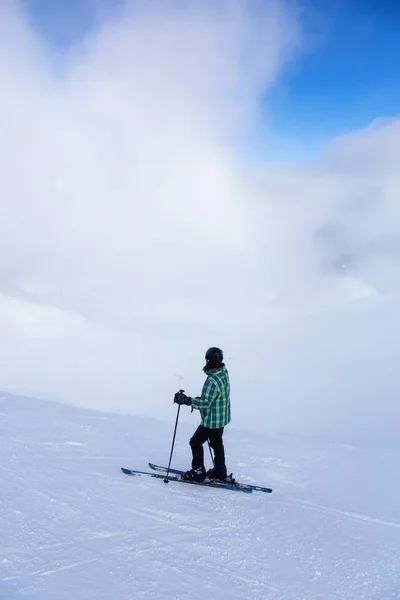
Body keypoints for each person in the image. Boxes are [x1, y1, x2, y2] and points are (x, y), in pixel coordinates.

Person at [173, 347, 231, 483]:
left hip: (211, 420)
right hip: (221, 417)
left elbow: (205, 403)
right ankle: (220, 471)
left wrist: (187, 400)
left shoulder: (212, 381)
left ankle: (198, 472)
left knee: (195, 442)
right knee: (217, 443)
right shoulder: (223, 373)